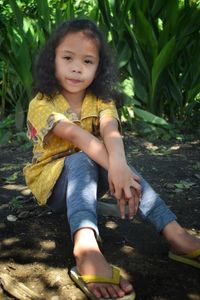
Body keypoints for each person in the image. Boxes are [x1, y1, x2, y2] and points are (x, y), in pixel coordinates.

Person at [24, 18, 200, 300]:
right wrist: (116, 166)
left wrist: (120, 167)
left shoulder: (101, 100)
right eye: (67, 57)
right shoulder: (42, 102)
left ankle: (175, 234)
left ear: (99, 67)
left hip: (94, 176)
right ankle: (85, 248)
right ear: (52, 60)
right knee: (82, 158)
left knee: (123, 166)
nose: (77, 67)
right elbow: (81, 139)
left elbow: (110, 132)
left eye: (88, 61)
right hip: (54, 185)